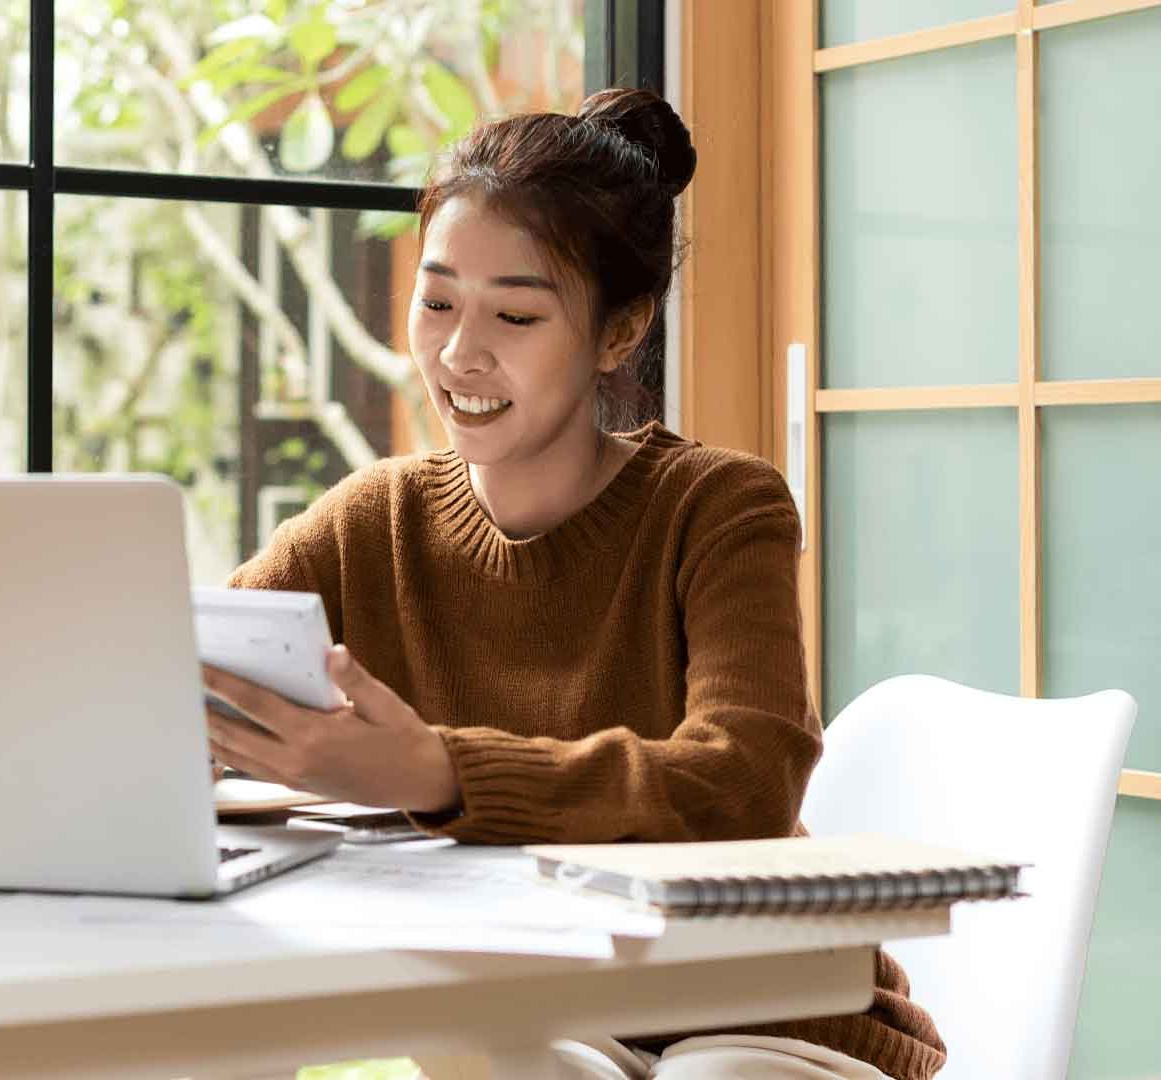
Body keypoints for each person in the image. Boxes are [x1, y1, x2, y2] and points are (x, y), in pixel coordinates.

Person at [201, 88, 944, 1080]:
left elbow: (743, 784)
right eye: (436, 302)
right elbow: (182, 679)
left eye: (515, 312)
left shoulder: (719, 508)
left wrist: (438, 773)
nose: (461, 352)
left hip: (773, 1019)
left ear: (618, 331)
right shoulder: (367, 525)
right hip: (542, 1015)